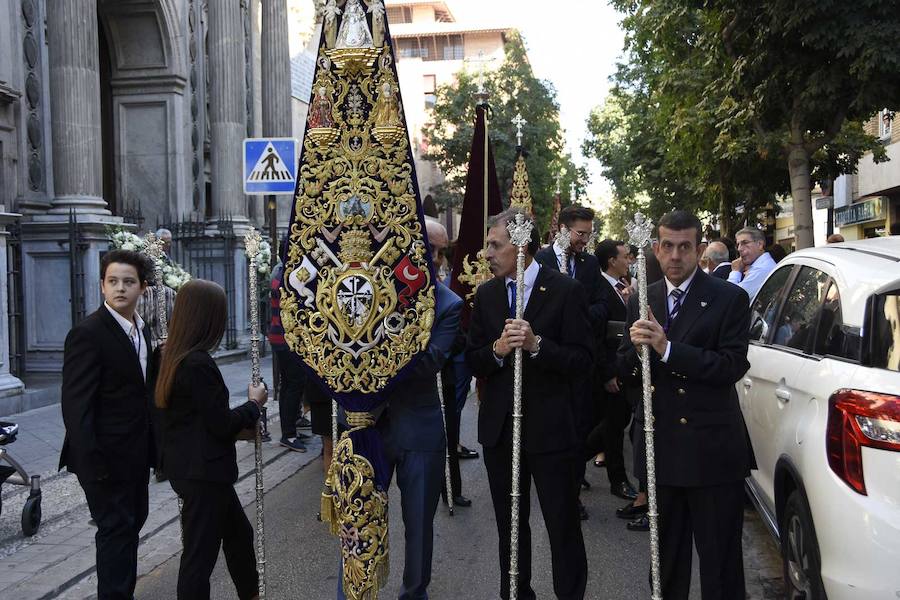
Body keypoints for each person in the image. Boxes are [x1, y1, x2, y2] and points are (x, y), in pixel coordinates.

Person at [620, 210, 755, 599]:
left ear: (698, 250)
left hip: (712, 452)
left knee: (720, 565)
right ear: (656, 249)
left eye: (684, 247)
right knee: (665, 563)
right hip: (663, 450)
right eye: (667, 247)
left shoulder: (728, 297)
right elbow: (625, 371)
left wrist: (668, 349)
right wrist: (634, 351)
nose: (675, 256)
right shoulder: (643, 299)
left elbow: (731, 365)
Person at [467, 208, 591, 600]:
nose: (487, 253)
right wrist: (497, 350)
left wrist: (539, 347)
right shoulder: (486, 295)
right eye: (488, 244)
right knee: (510, 525)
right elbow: (472, 358)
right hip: (502, 432)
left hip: (552, 431)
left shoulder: (564, 290)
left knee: (562, 523)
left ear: (521, 246)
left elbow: (583, 360)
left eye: (494, 245)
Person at [154, 279, 266, 600]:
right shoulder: (197, 362)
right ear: (207, 319)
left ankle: (251, 594)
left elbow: (196, 417)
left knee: (239, 536)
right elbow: (220, 423)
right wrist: (253, 405)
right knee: (199, 558)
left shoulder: (172, 356)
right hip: (203, 473)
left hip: (194, 468)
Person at [59, 249, 156, 600]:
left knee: (131, 528)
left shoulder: (141, 332)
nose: (120, 288)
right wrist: (92, 464)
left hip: (134, 456)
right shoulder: (88, 333)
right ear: (102, 286)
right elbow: (75, 405)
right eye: (112, 281)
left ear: (141, 288)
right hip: (102, 460)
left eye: (128, 282)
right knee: (115, 532)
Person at [380, 277, 462, 599]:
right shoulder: (366, 285)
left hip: (418, 425)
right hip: (367, 423)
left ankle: (413, 594)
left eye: (437, 251)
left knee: (417, 526)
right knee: (359, 523)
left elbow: (428, 362)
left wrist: (375, 348)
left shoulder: (448, 303)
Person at [535, 204, 604, 519]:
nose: (584, 241)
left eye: (589, 235)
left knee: (578, 432)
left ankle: (572, 494)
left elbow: (602, 305)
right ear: (562, 229)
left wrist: (578, 319)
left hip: (579, 364)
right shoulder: (539, 261)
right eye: (580, 234)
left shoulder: (590, 265)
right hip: (546, 363)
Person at [590, 239, 638, 502]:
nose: (628, 260)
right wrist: (607, 373)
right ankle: (617, 479)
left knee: (616, 423)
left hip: (624, 369)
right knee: (612, 426)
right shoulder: (599, 289)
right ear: (612, 261)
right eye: (625, 256)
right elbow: (597, 337)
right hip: (608, 372)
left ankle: (573, 463)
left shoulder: (623, 287)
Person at [269, 253, 307, 452]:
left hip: (280, 336)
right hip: (286, 338)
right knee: (293, 384)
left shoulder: (280, 270)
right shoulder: (288, 275)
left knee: (288, 384)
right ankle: (289, 434)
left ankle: (291, 425)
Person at [728, 227, 776, 299]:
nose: (739, 249)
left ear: (760, 244)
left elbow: (730, 297)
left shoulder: (762, 269)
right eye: (738, 245)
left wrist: (735, 272)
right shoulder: (760, 266)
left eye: (745, 243)